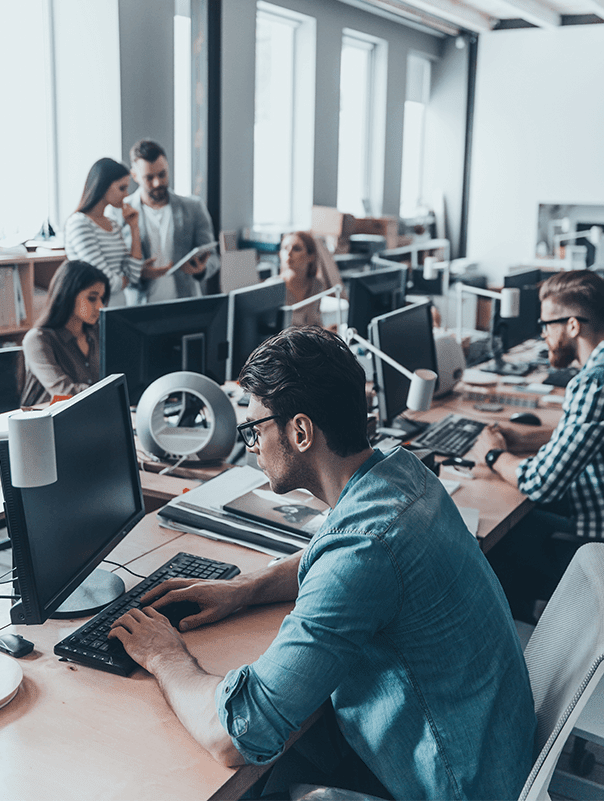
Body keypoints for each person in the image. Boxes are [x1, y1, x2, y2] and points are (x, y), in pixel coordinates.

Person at [109, 326, 536, 800]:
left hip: (454, 786)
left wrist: (164, 655)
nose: (251, 447)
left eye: (254, 431)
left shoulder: (364, 549)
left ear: (300, 431)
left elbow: (233, 734)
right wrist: (247, 587)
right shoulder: (403, 473)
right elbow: (345, 551)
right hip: (495, 754)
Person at [474, 269, 604, 621]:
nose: (543, 334)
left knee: (488, 546)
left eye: (547, 324)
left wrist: (494, 454)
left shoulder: (594, 382)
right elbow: (587, 435)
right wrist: (526, 438)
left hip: (594, 542)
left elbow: (540, 483)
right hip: (588, 510)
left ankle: (526, 648)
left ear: (573, 326)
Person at [108, 139, 219, 303]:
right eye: (149, 177)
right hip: (140, 309)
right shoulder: (118, 213)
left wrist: (200, 269)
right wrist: (138, 273)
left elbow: (214, 259)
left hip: (185, 306)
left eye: (162, 174)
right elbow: (114, 268)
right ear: (135, 176)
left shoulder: (194, 207)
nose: (158, 182)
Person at [64, 157, 160, 307]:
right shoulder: (79, 224)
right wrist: (125, 279)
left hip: (119, 306)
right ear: (103, 186)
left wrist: (134, 227)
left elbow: (133, 275)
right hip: (93, 309)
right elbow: (104, 281)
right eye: (122, 188)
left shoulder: (113, 224)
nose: (126, 195)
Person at [21, 260, 110, 406]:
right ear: (68, 294)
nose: (100, 306)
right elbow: (65, 393)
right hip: (46, 423)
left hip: (90, 414)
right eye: (92, 298)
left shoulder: (98, 334)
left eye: (102, 298)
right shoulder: (37, 340)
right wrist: (110, 392)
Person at [279, 231, 325, 326]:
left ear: (311, 256)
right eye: (285, 248)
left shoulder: (317, 286)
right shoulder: (272, 288)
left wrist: (327, 331)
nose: (289, 253)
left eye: (296, 249)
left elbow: (315, 324)